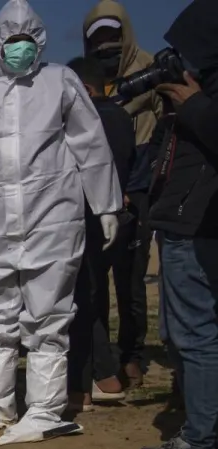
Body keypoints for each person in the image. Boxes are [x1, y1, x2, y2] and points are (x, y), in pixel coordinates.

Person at [0, 0, 120, 447]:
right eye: (11, 41)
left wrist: (107, 203)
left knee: (49, 311)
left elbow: (90, 145)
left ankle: (44, 408)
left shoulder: (60, 81)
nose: (19, 48)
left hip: (52, 214)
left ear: (37, 40)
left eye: (26, 40)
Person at [131, 0, 218, 449]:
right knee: (188, 337)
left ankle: (202, 443)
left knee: (197, 338)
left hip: (198, 227)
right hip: (185, 223)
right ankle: (201, 433)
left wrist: (195, 106)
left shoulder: (203, 99)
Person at [84, 2, 160, 387]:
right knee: (94, 283)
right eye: (96, 37)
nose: (105, 44)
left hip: (137, 188)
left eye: (112, 35)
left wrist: (137, 188)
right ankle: (103, 358)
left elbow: (162, 135)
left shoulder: (149, 70)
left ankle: (133, 353)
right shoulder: (84, 79)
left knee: (130, 284)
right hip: (94, 195)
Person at [66, 56, 137, 413]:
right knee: (98, 297)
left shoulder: (89, 120)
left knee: (81, 301)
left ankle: (86, 385)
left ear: (85, 90)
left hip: (88, 219)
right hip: (115, 220)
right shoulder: (123, 118)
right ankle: (104, 375)